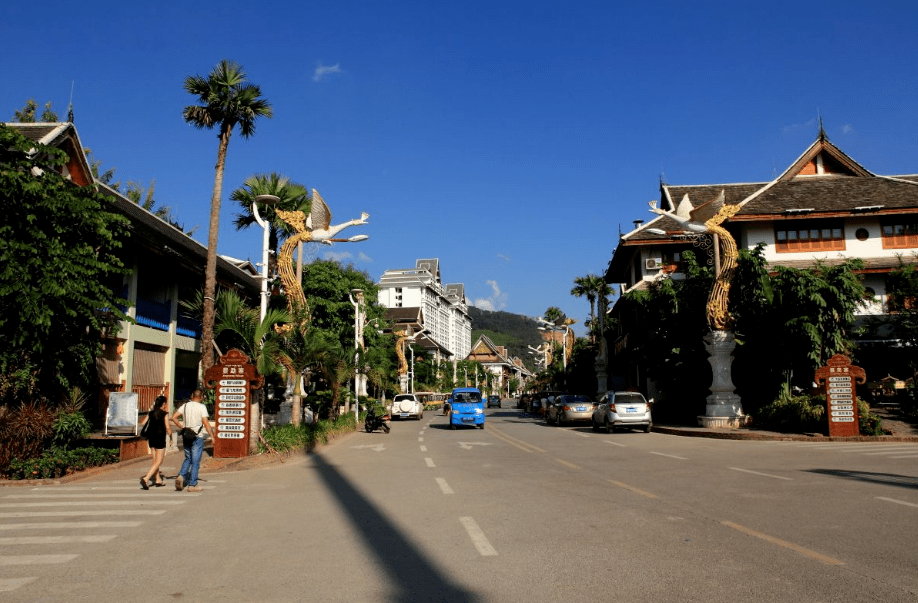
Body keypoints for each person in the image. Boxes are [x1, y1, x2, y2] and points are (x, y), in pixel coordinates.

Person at [170, 389, 215, 493]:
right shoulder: (202, 407)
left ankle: (181, 476)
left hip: (186, 435)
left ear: (192, 396)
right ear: (201, 397)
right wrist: (212, 436)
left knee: (187, 458)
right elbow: (206, 423)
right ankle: (192, 484)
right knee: (195, 462)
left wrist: (182, 426)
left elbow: (174, 417)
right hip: (197, 437)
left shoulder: (185, 406)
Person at [139, 395, 172, 489]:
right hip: (160, 437)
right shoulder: (164, 413)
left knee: (155, 460)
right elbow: (168, 427)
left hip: (151, 438)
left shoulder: (151, 413)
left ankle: (158, 480)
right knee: (159, 460)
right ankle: (146, 478)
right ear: (164, 404)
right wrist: (171, 437)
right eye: (166, 403)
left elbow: (142, 422)